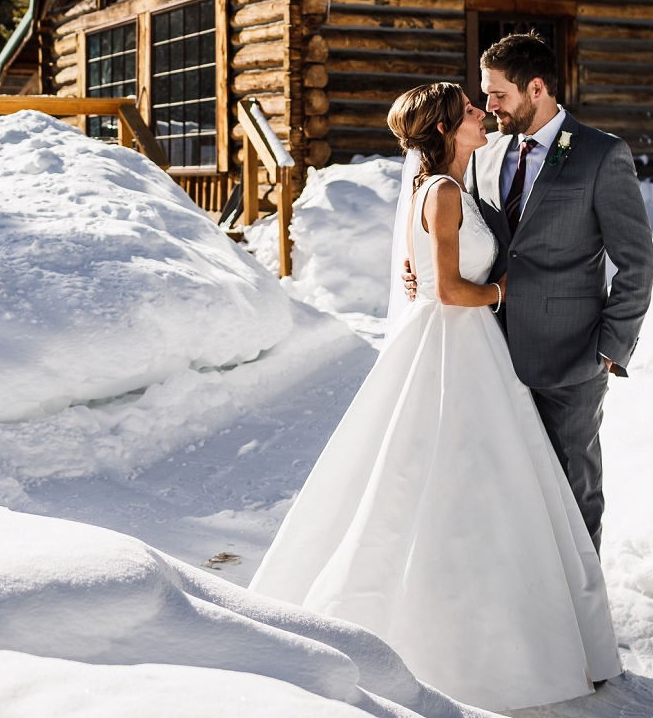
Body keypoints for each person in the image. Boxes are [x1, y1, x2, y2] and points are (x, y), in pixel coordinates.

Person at [249, 81, 622, 711]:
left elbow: (430, 273)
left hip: (469, 345)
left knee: (469, 473)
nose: (482, 115)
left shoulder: (450, 188)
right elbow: (448, 290)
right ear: (448, 128)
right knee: (456, 470)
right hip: (455, 340)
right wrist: (508, 291)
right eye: (471, 112)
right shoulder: (445, 192)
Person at [459, 32, 653, 552]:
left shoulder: (600, 154)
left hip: (571, 360)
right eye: (485, 93)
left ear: (537, 88)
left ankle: (581, 613)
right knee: (503, 489)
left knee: (573, 493)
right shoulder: (485, 155)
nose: (488, 106)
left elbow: (636, 262)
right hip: (492, 354)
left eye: (499, 94)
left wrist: (611, 346)